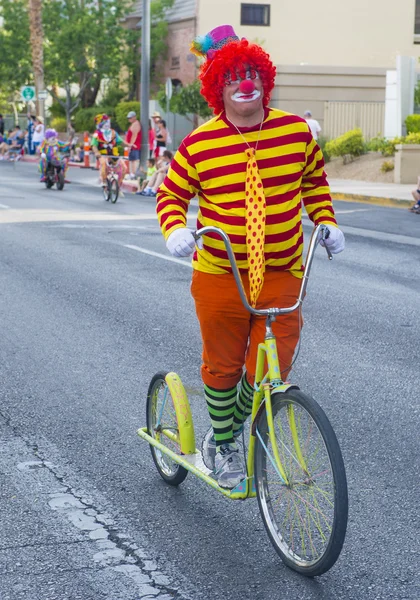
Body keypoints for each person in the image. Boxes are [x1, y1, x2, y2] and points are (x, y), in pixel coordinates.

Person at [156, 24, 345, 490]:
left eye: (252, 73)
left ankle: (229, 429)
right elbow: (171, 195)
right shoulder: (200, 143)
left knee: (268, 367)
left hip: (281, 270)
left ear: (264, 78)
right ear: (218, 87)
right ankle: (222, 443)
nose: (245, 83)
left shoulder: (296, 132)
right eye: (233, 76)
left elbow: (314, 185)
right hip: (220, 274)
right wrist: (176, 228)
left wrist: (327, 221)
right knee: (222, 367)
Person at [91, 113, 125, 189]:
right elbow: (94, 145)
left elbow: (121, 142)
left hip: (113, 154)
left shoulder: (113, 132)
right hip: (102, 154)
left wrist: (129, 145)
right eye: (105, 122)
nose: (107, 124)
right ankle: (104, 181)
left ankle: (117, 187)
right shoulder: (97, 134)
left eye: (108, 122)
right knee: (103, 163)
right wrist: (97, 152)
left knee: (124, 167)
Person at [125, 110, 142, 179]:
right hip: (133, 146)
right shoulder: (134, 124)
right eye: (129, 118)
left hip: (134, 146)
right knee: (132, 160)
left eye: (130, 118)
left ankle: (134, 174)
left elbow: (134, 135)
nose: (129, 119)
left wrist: (130, 145)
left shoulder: (136, 124)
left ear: (134, 117)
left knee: (135, 160)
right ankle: (132, 173)